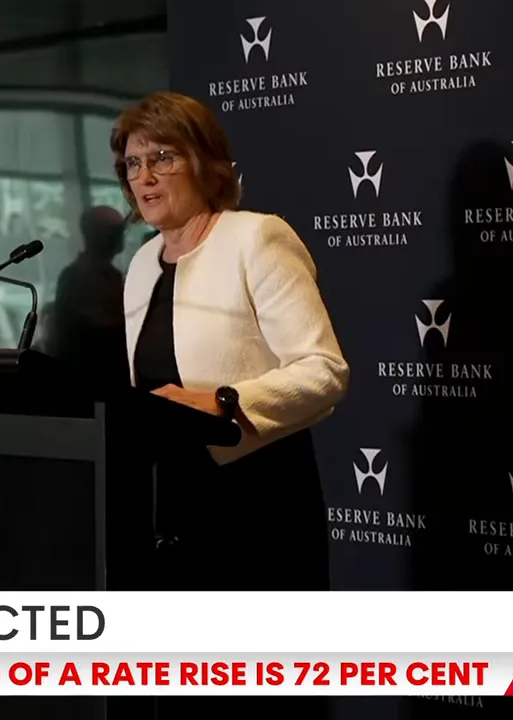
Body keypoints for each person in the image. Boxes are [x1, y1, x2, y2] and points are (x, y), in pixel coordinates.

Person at [114, 90, 347, 715]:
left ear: (206, 162)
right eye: (133, 164)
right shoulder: (140, 264)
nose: (145, 176)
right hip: (170, 510)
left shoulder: (256, 239)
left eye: (162, 157)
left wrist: (222, 401)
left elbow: (324, 371)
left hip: (257, 503)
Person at [51, 206, 129, 386]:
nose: (120, 237)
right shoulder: (75, 277)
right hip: (90, 385)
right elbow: (104, 326)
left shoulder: (112, 275)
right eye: (115, 231)